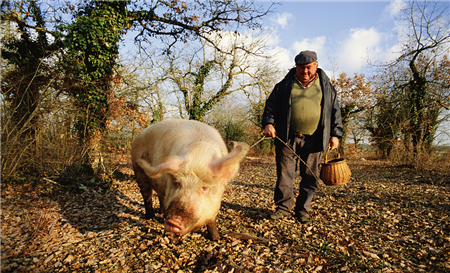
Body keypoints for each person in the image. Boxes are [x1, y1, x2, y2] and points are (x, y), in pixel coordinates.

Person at [262, 50, 343, 224]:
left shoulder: (326, 86)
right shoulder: (284, 85)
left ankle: (303, 210)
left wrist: (335, 134)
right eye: (301, 68)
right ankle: (283, 208)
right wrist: (269, 123)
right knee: (284, 176)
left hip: (315, 139)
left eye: (308, 68)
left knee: (310, 176)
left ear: (316, 66)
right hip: (287, 138)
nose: (305, 72)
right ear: (295, 67)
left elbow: (335, 111)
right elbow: (271, 105)